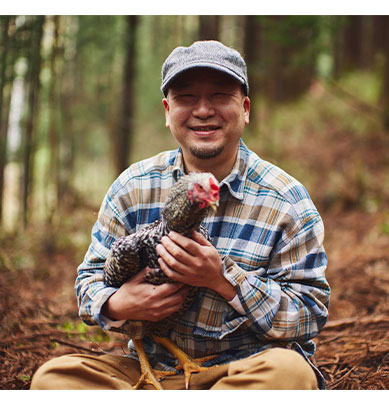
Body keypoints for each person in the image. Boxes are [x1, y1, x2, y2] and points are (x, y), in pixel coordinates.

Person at [31, 40, 330, 390]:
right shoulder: (133, 187)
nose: (203, 110)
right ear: (167, 111)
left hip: (244, 373)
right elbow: (89, 283)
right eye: (186, 98)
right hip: (152, 372)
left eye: (220, 96)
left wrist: (222, 280)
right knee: (53, 380)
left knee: (289, 373)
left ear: (245, 109)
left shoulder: (285, 199)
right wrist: (117, 303)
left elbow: (310, 311)